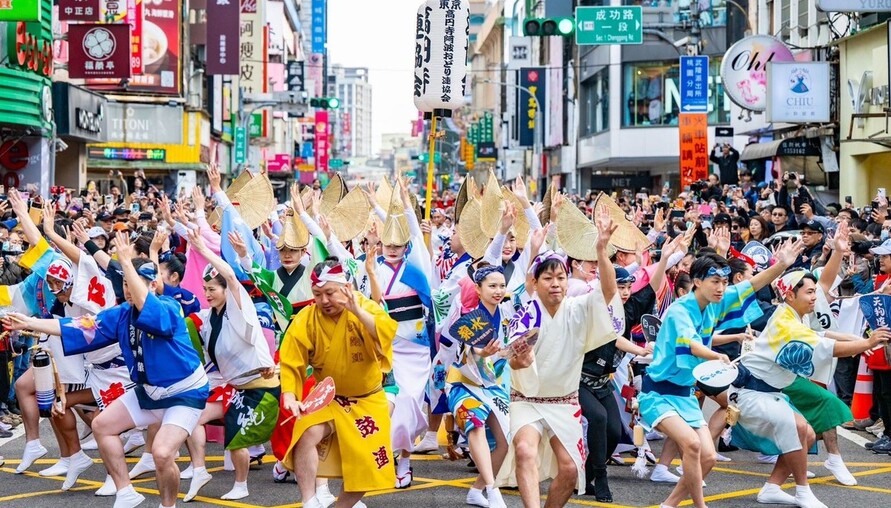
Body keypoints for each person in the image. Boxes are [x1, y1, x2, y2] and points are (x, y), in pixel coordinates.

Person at [4, 232, 209, 508]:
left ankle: (167, 505)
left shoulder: (169, 308)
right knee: (102, 425)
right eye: (124, 282)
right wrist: (28, 322)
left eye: (133, 282)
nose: (127, 288)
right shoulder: (121, 314)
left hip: (184, 392)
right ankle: (126, 491)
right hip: (148, 391)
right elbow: (74, 327)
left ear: (151, 285)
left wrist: (126, 263)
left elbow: (150, 310)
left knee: (162, 454)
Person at [638, 240, 802, 508]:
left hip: (685, 393)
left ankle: (668, 505)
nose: (721, 288)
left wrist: (781, 265)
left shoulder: (714, 303)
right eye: (715, 281)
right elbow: (690, 343)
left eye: (724, 282)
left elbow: (750, 285)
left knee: (708, 458)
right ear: (697, 281)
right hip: (658, 392)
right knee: (692, 446)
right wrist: (717, 356)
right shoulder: (680, 309)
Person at [731, 271, 891, 507]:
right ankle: (803, 491)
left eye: (814, 292)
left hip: (771, 391)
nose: (814, 297)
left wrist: (855, 340)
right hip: (752, 391)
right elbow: (824, 345)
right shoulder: (786, 323)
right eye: (809, 292)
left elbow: (821, 334)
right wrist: (865, 343)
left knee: (805, 433)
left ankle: (772, 487)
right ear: (790, 294)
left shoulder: (794, 314)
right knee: (799, 429)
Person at [496, 212, 622, 508]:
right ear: (535, 282)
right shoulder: (525, 315)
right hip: (526, 399)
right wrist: (521, 361)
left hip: (565, 402)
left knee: (569, 470)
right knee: (525, 451)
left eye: (561, 277)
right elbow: (512, 363)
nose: (556, 284)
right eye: (548, 278)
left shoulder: (578, 308)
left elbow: (608, 291)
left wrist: (601, 251)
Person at [279, 257, 398, 508]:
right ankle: (309, 501)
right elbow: (291, 359)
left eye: (330, 293)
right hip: (329, 397)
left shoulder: (365, 308)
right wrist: (289, 394)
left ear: (346, 289)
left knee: (368, 469)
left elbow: (384, 335)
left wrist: (358, 312)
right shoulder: (307, 318)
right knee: (307, 432)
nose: (324, 301)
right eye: (317, 294)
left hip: (368, 399)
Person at [180, 230, 279, 502]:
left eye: (212, 289)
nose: (207, 294)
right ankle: (199, 470)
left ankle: (242, 484)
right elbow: (185, 323)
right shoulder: (209, 317)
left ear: (226, 290)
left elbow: (233, 277)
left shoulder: (240, 307)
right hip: (235, 387)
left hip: (261, 386)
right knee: (192, 417)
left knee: (239, 440)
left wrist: (202, 248)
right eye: (205, 290)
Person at [441, 263, 510, 508]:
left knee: (505, 442)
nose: (498, 290)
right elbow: (469, 347)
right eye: (492, 286)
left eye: (502, 285)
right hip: (463, 384)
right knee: (476, 425)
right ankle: (493, 491)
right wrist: (483, 351)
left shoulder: (508, 313)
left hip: (492, 385)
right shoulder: (468, 315)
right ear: (478, 289)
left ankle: (478, 489)